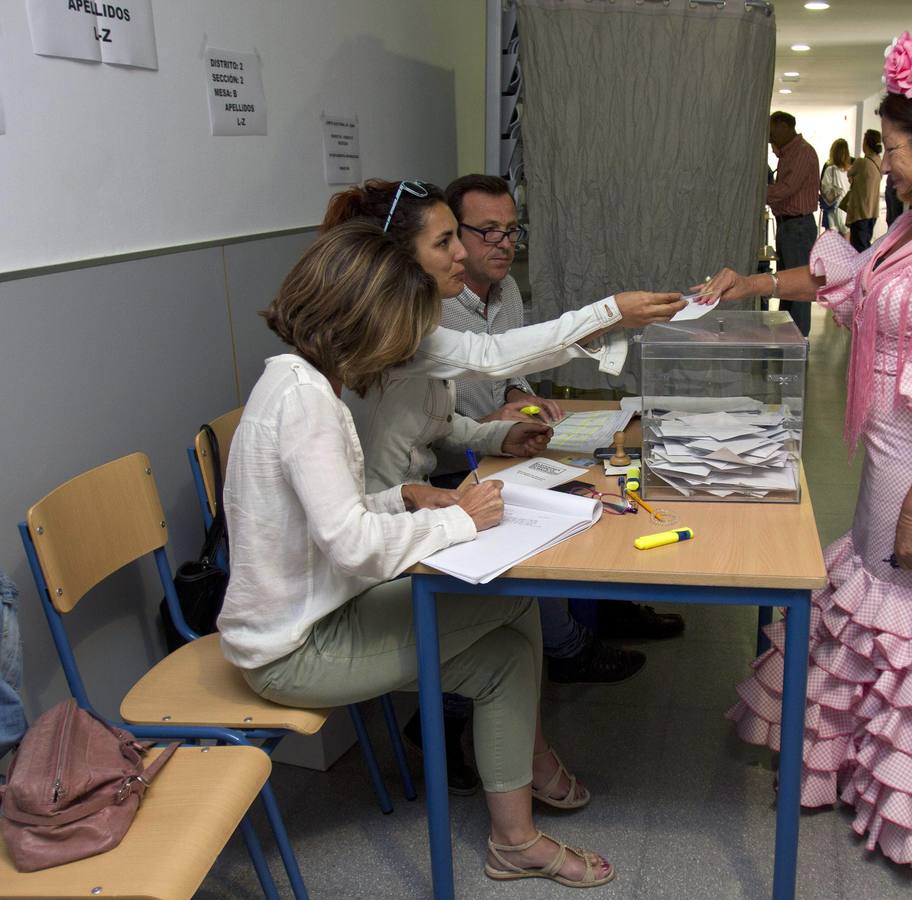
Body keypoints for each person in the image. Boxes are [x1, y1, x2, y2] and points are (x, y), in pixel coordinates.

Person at [220, 215, 683, 885]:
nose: (404, 349)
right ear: (364, 320)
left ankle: (515, 835)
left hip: (313, 612)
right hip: (293, 647)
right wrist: (458, 521)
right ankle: (522, 811)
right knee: (512, 609)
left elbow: (329, 520)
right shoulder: (308, 405)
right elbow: (352, 547)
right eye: (401, 330)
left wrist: (405, 495)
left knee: (507, 643)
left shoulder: (296, 383)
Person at [698, 31, 912, 869]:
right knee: (877, 597)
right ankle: (866, 766)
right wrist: (754, 284)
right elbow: (851, 280)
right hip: (895, 445)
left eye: (895, 150)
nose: (883, 165)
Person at [439, 174, 683, 675]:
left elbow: (509, 365)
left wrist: (516, 396)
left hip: (499, 447)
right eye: (488, 231)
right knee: (548, 518)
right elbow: (477, 369)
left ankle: (606, 606)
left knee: (603, 489)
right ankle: (567, 648)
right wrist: (488, 424)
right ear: (453, 237)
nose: (504, 244)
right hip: (452, 467)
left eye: (512, 230)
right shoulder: (431, 308)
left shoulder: (506, 290)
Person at [766, 111, 820, 336]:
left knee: (798, 288)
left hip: (797, 227)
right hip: (788, 226)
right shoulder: (788, 153)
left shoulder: (802, 152)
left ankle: (798, 339)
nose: (769, 136)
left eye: (772, 131)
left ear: (784, 126)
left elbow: (786, 188)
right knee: (786, 286)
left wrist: (755, 192)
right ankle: (788, 337)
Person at [843, 129, 883, 251]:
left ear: (866, 143)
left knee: (858, 248)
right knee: (865, 243)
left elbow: (850, 172)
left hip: (860, 212)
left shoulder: (861, 162)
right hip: (873, 211)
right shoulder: (879, 162)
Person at [819, 139, 851, 237]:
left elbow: (824, 189)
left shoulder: (830, 170)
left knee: (833, 241)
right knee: (847, 240)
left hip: (832, 211)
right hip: (846, 210)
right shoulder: (851, 171)